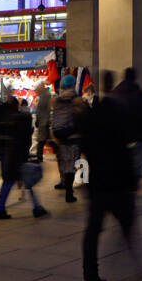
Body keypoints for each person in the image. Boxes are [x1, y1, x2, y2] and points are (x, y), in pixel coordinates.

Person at [78, 72, 140, 281]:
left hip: (97, 181)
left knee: (92, 230)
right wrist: (133, 181)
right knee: (127, 222)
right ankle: (136, 261)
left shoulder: (92, 116)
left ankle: (90, 275)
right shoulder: (118, 115)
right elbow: (125, 151)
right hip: (117, 181)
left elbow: (84, 148)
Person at [0, 86, 47, 220]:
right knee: (24, 183)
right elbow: (26, 135)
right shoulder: (21, 118)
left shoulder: (2, 120)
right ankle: (35, 208)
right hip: (17, 157)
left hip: (7, 156)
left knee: (10, 183)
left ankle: (35, 207)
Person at [52, 74, 83, 203]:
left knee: (64, 162)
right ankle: (69, 193)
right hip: (73, 136)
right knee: (72, 164)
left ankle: (64, 182)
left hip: (60, 136)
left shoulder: (56, 101)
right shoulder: (77, 100)